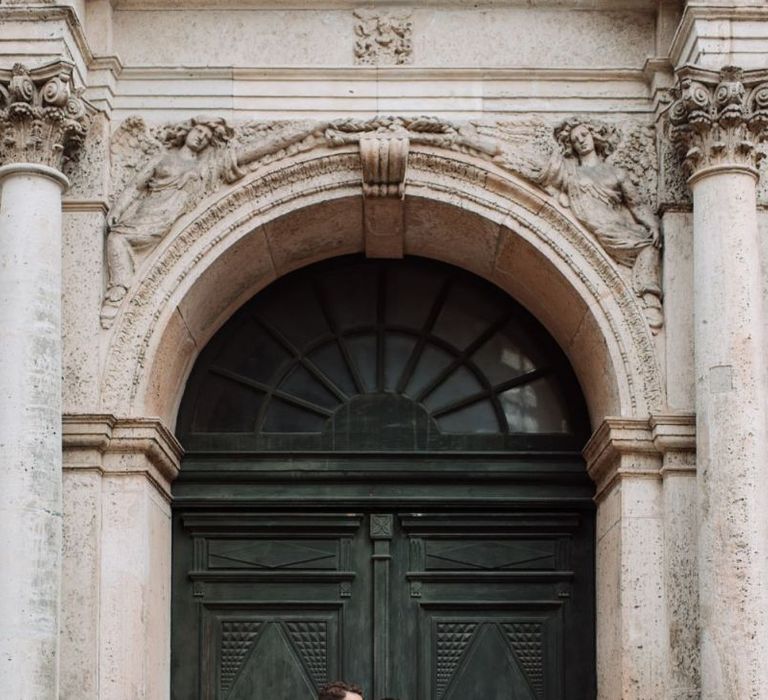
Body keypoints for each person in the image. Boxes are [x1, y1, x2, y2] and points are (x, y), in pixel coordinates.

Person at [104, 116, 322, 306]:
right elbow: (135, 186)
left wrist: (312, 127)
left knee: (117, 239)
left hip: (166, 219)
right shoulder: (161, 158)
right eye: (199, 131)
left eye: (207, 137)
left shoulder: (208, 165)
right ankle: (119, 287)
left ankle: (118, 291)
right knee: (115, 238)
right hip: (145, 213)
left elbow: (261, 148)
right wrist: (117, 208)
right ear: (188, 131)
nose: (200, 137)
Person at [496, 117, 663, 330]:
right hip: (595, 228)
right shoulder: (569, 171)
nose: (582, 141)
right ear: (571, 146)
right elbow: (537, 169)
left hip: (617, 228)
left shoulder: (616, 173)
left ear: (594, 135)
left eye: (584, 135)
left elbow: (636, 203)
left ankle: (649, 299)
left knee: (648, 246)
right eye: (575, 140)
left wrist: (652, 224)